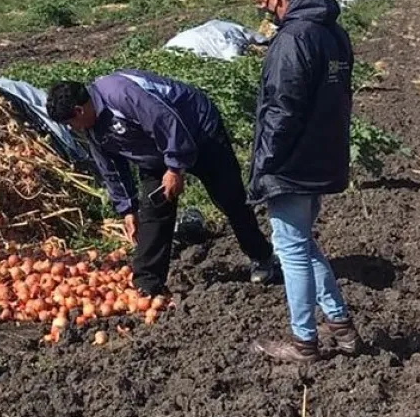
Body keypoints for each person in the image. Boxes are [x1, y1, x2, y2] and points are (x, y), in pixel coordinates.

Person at [46, 70, 280, 297]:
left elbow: (167, 122)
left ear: (79, 110)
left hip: (197, 130)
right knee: (154, 210)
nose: (71, 128)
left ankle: (263, 258)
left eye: (70, 123)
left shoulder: (121, 95)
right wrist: (127, 208)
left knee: (229, 198)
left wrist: (175, 168)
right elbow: (111, 168)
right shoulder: (91, 126)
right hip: (154, 151)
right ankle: (147, 284)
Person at [248, 0, 361, 363]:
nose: (261, 9)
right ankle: (341, 325)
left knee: (291, 250)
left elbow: (283, 107)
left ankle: (303, 342)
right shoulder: (334, 34)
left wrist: (265, 164)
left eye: (260, 1)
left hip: (293, 162)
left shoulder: (294, 38)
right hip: (323, 154)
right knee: (301, 243)